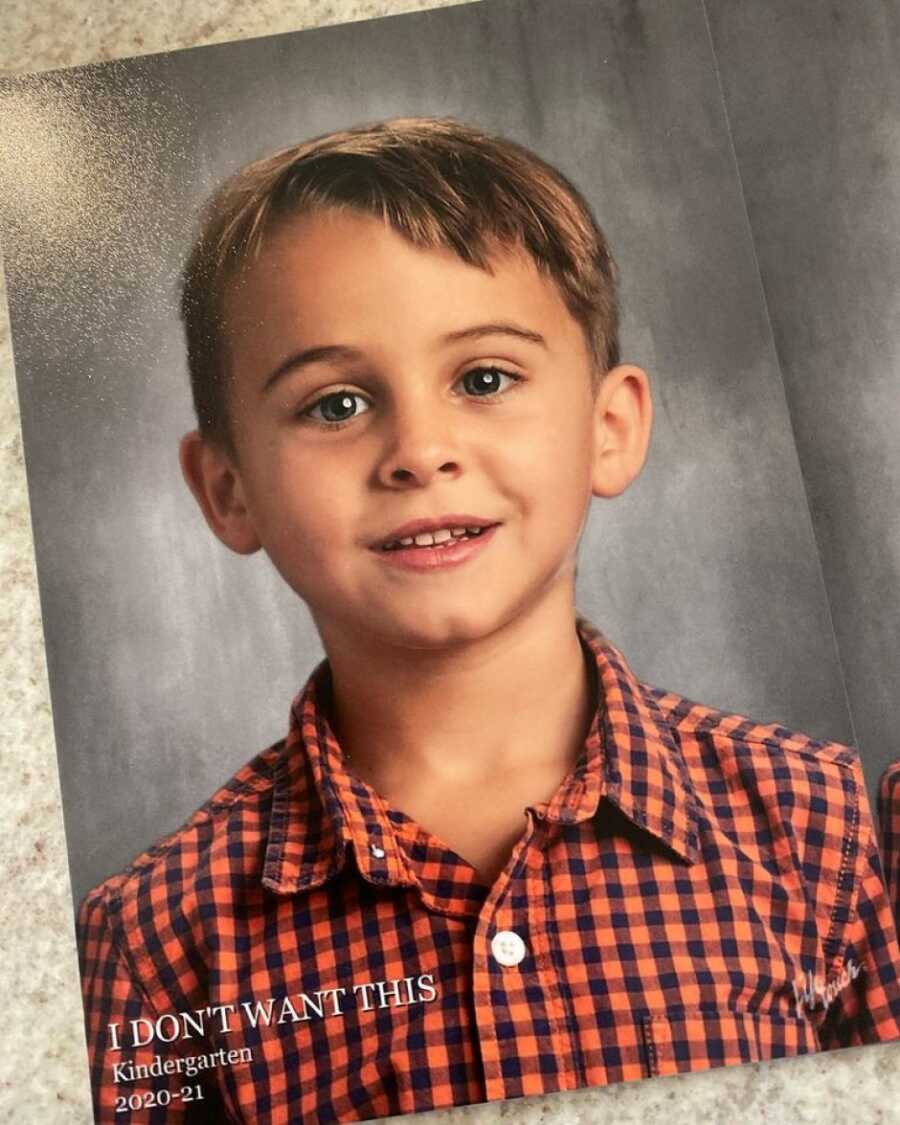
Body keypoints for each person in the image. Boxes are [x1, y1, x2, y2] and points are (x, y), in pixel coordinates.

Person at [77, 118, 900, 1124]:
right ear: (228, 488)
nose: (420, 451)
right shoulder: (158, 938)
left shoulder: (822, 824)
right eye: (336, 404)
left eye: (484, 379)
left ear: (611, 428)